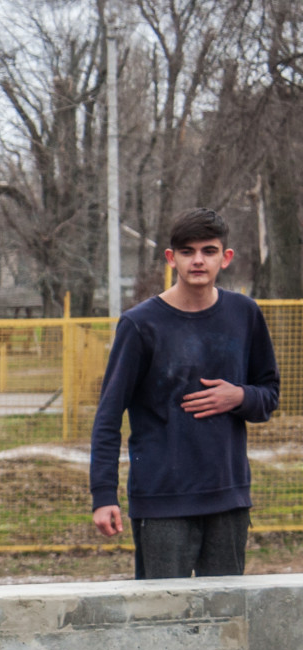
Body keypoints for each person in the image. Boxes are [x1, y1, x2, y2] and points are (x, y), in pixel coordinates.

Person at [89, 207, 280, 578]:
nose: (198, 260)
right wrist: (103, 495)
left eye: (208, 251)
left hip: (228, 497)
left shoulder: (244, 313)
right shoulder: (140, 324)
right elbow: (109, 416)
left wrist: (238, 397)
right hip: (161, 500)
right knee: (161, 619)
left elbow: (269, 395)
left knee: (224, 622)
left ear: (225, 258)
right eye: (187, 251)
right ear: (171, 258)